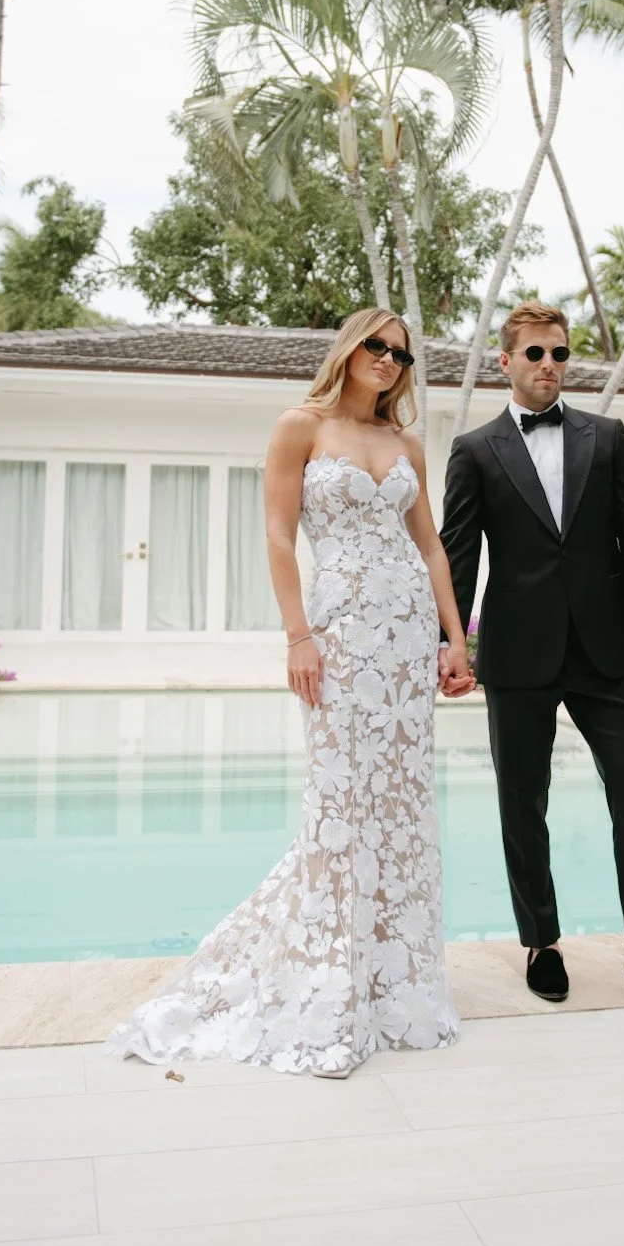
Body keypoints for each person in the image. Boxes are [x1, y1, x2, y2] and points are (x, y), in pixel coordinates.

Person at [108, 307, 470, 1079]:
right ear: (347, 349)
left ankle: (395, 988)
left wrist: (454, 640)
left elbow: (430, 546)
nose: (387, 361)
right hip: (339, 636)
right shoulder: (298, 427)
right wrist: (298, 636)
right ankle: (329, 987)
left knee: (400, 805)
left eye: (401, 355)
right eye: (376, 346)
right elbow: (277, 535)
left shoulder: (405, 442)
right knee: (339, 806)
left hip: (407, 642)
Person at [440, 299, 624, 1017]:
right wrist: (449, 645)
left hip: (606, 648)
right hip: (517, 653)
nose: (549, 366)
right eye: (535, 354)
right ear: (507, 361)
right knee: (521, 804)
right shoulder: (473, 450)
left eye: (559, 353)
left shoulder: (609, 438)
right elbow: (456, 558)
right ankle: (541, 942)